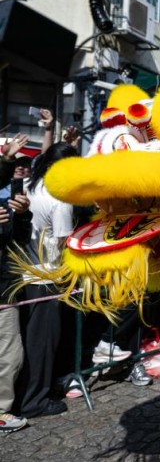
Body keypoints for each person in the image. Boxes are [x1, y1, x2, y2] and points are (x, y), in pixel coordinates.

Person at [14, 143, 78, 418]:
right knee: (43, 343)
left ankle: (28, 393)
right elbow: (65, 242)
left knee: (29, 340)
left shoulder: (30, 184)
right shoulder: (60, 198)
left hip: (25, 272)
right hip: (48, 276)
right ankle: (35, 401)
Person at [0, 134, 33, 432]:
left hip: (5, 287)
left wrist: (21, 215)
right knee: (9, 354)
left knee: (10, 354)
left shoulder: (7, 203)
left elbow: (18, 240)